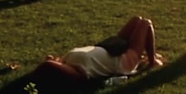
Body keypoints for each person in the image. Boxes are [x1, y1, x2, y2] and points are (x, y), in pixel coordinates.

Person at [31, 16, 164, 82]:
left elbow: (50, 65)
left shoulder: (68, 61)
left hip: (110, 47)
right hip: (123, 61)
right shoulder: (81, 73)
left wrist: (55, 61)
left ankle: (146, 54)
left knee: (136, 20)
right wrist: (51, 65)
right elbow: (52, 69)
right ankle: (152, 62)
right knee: (145, 23)